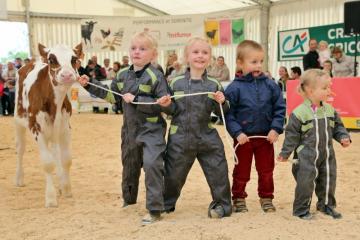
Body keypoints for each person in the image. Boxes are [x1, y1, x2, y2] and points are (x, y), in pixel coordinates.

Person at [78, 32, 171, 225]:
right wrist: (90, 85)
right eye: (134, 48)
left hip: (152, 130)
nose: (137, 52)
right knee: (129, 165)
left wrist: (137, 100)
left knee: (153, 165)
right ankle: (129, 201)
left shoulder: (157, 76)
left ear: (153, 54)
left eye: (143, 49)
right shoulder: (121, 75)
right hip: (129, 131)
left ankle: (154, 209)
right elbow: (111, 96)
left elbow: (164, 104)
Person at [157, 37, 232, 219]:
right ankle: (166, 204)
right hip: (180, 137)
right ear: (187, 57)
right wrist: (166, 105)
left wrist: (222, 102)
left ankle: (222, 205)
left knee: (218, 171)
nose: (200, 56)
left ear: (210, 57)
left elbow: (222, 111)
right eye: (195, 52)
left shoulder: (214, 84)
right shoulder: (175, 82)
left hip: (207, 136)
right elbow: (172, 111)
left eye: (205, 52)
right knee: (173, 175)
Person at [277, 69, 351, 220]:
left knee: (329, 179)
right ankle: (301, 209)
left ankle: (326, 205)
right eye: (325, 88)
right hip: (306, 156)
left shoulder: (329, 110)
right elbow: (291, 136)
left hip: (327, 154)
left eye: (329, 87)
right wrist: (285, 153)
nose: (329, 91)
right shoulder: (299, 113)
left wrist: (343, 136)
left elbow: (338, 126)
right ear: (310, 91)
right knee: (305, 183)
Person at [225, 40, 286, 213]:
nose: (258, 65)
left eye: (260, 61)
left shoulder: (271, 85)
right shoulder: (234, 88)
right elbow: (228, 114)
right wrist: (237, 133)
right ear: (240, 63)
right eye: (253, 62)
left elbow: (280, 109)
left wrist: (275, 128)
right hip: (243, 139)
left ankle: (266, 197)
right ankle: (238, 197)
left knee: (266, 170)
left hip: (266, 138)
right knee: (241, 171)